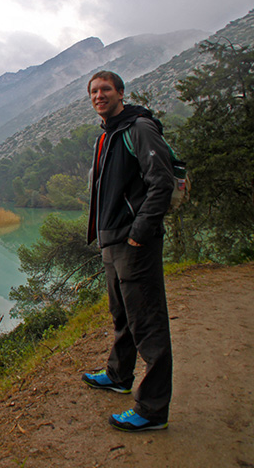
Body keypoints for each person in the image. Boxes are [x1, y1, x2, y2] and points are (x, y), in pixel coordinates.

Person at [81, 71, 174, 432]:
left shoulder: (139, 129)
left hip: (134, 243)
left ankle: (152, 410)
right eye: (93, 91)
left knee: (148, 323)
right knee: (123, 314)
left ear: (120, 93)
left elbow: (161, 183)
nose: (99, 95)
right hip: (112, 241)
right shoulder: (107, 135)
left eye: (105, 89)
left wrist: (139, 233)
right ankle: (119, 375)